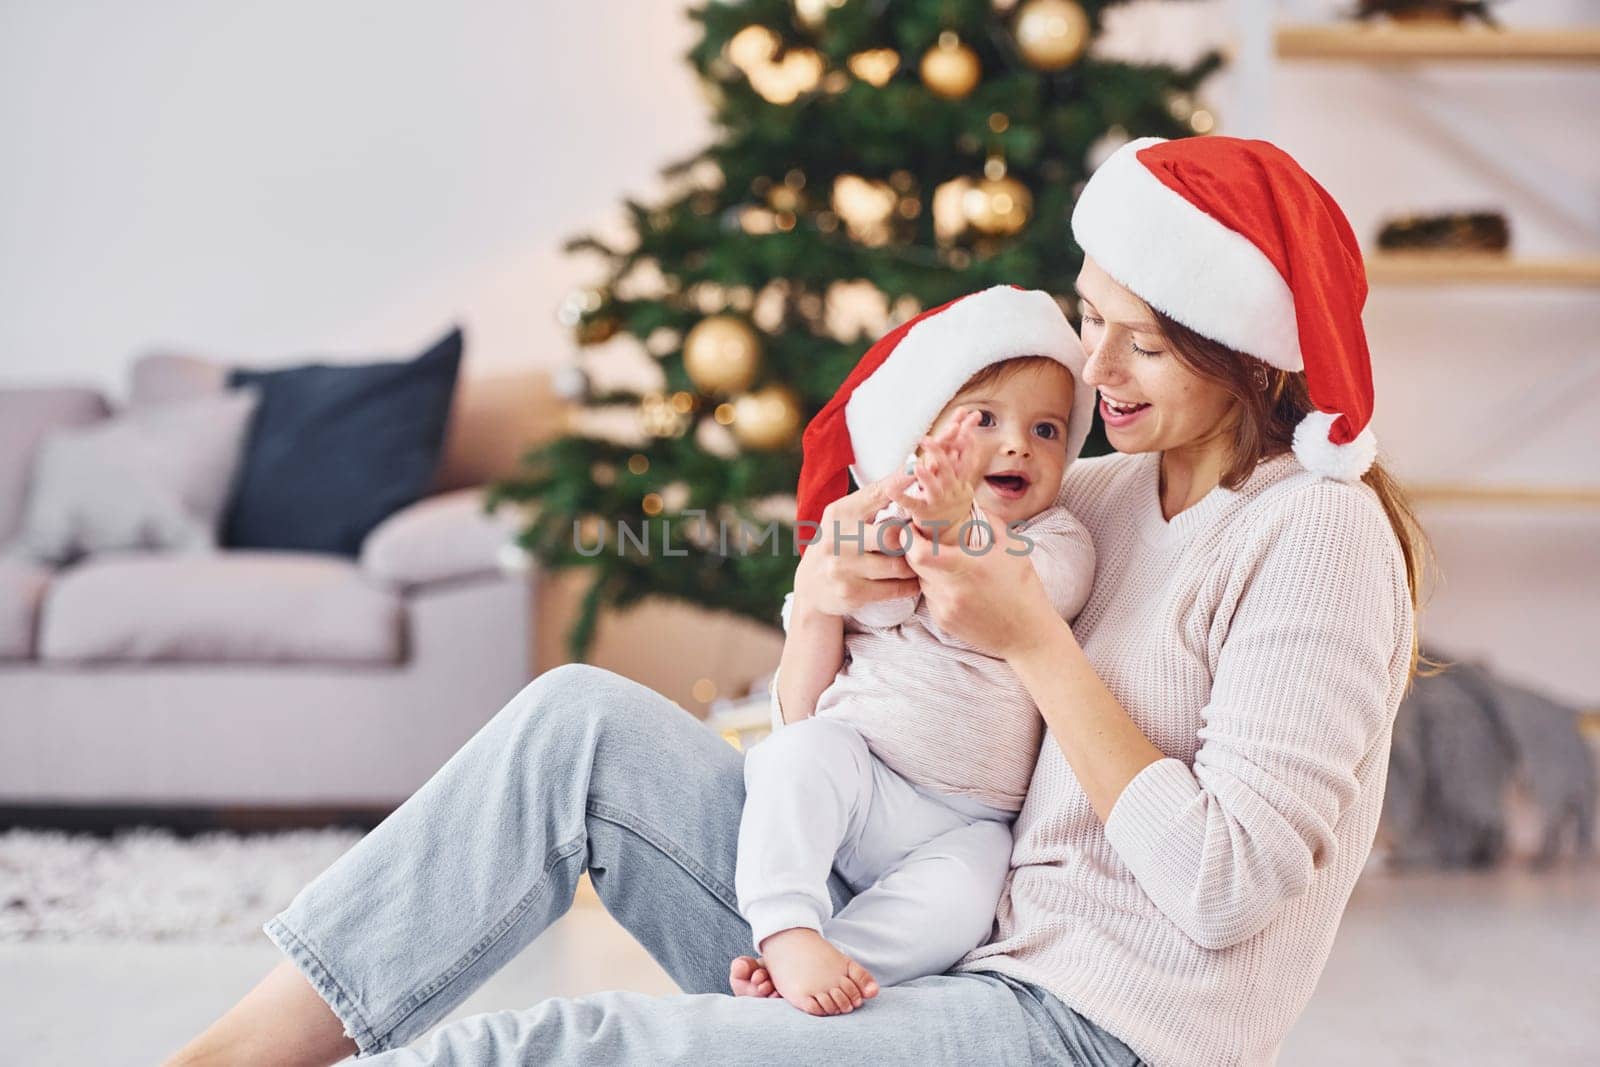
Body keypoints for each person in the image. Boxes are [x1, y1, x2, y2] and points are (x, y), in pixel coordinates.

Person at [167, 135, 1429, 1067]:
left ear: (1248, 352)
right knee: (575, 726)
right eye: (1090, 321)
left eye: (1141, 342)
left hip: (1093, 1027)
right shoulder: (1090, 493)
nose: (1090, 372)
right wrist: (819, 605)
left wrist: (1037, 643)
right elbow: (838, 725)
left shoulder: (1315, 532)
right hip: (919, 931)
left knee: (574, 1047)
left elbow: (1224, 884)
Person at [732, 285, 1099, 1014]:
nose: (1019, 442)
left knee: (971, 893)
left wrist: (962, 523)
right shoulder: (894, 526)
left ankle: (836, 959)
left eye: (1049, 429)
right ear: (923, 441)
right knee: (792, 758)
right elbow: (880, 603)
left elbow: (1031, 591)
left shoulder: (1060, 539)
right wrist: (910, 525)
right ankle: (786, 924)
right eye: (985, 420)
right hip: (863, 773)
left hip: (968, 820)